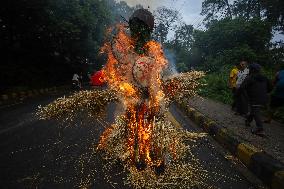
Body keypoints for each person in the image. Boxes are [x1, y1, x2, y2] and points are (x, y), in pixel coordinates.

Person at [240, 63, 271, 135]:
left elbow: (242, 87)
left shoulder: (250, 77)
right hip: (264, 98)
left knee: (256, 111)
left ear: (252, 70)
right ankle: (248, 121)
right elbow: (270, 87)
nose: (248, 70)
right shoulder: (264, 78)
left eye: (249, 69)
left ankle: (260, 129)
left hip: (255, 98)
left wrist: (240, 95)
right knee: (254, 109)